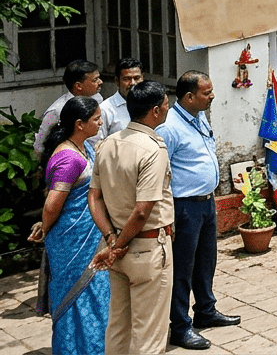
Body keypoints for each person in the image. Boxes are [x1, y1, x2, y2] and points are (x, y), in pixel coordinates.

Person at [89, 80, 175, 355]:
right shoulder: (152, 149)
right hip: (146, 247)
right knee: (149, 334)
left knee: (119, 328)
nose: (167, 107)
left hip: (116, 246)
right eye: (164, 103)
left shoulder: (107, 144)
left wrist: (111, 240)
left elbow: (95, 197)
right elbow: (142, 210)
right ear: (154, 111)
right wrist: (120, 244)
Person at [157, 71, 240, 350]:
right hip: (184, 206)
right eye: (207, 92)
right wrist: (167, 215)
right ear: (189, 96)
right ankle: (180, 326)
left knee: (207, 260)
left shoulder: (199, 116)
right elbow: (159, 173)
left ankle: (205, 309)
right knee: (182, 267)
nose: (212, 96)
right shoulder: (169, 128)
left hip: (206, 202)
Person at [29, 96, 109, 355]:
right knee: (79, 297)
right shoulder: (69, 158)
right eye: (95, 119)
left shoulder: (84, 148)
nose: (100, 123)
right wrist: (45, 227)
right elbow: (52, 204)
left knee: (96, 297)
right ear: (79, 124)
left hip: (88, 236)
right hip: (71, 242)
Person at [34, 60, 103, 157]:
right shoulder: (57, 111)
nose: (100, 82)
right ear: (78, 86)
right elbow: (40, 147)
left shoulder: (97, 98)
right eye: (95, 80)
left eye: (99, 78)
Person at [99, 58, 143, 140]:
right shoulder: (105, 109)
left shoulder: (150, 104)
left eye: (137, 78)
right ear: (117, 81)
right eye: (127, 79)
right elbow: (98, 146)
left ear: (142, 78)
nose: (133, 83)